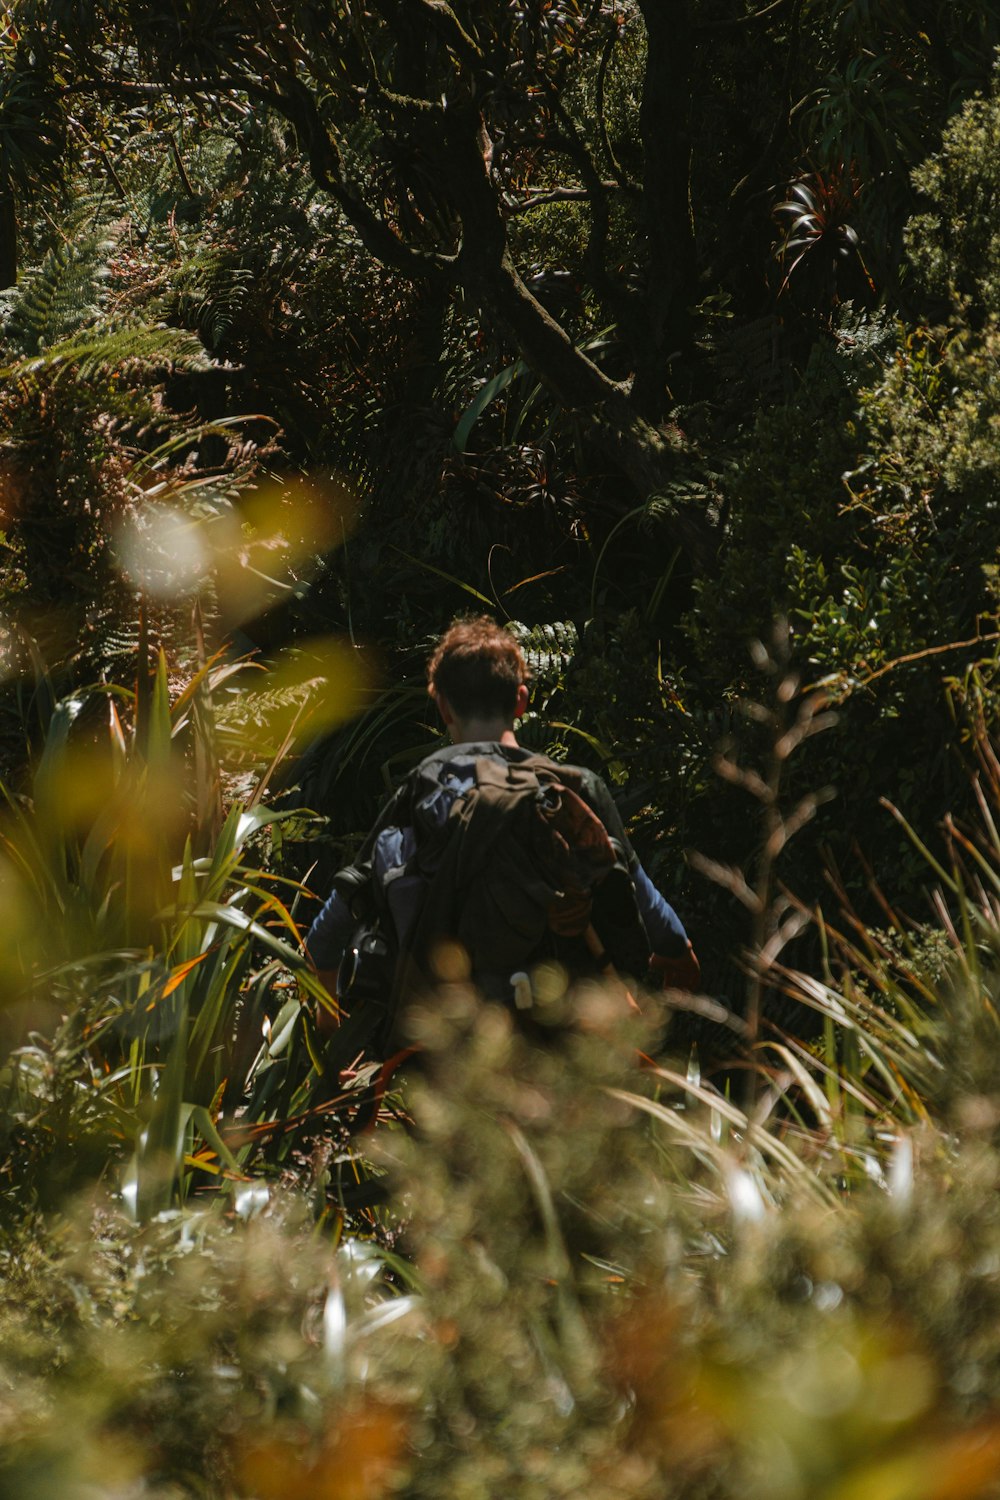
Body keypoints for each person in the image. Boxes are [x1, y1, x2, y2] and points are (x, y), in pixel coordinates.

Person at [304, 617, 699, 1027]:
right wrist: (675, 948)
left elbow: (338, 915)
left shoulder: (421, 790)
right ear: (521, 700)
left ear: (442, 706)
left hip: (447, 1030)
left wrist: (328, 1012)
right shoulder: (572, 787)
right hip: (564, 1022)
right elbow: (636, 889)